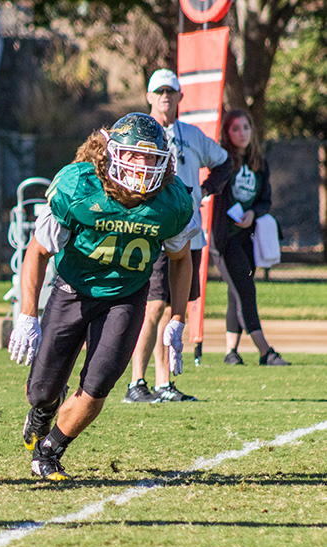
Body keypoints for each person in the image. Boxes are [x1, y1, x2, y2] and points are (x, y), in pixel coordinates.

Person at [8, 113, 198, 480]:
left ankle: (50, 451)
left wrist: (177, 319)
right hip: (72, 290)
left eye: (151, 158)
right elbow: (38, 251)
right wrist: (27, 315)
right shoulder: (79, 185)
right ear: (112, 154)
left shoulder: (172, 200)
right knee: (41, 390)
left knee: (99, 383)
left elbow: (180, 260)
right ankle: (44, 410)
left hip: (126, 296)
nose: (143, 167)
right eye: (134, 156)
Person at [123, 69, 233, 404]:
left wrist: (203, 190)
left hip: (187, 233)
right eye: (159, 91)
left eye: (171, 91)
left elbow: (224, 164)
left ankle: (163, 383)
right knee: (153, 306)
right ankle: (135, 382)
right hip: (154, 230)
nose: (165, 97)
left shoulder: (192, 135)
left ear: (180, 97)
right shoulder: (143, 133)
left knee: (173, 309)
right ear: (149, 96)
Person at [210, 109, 289, 367]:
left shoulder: (259, 162)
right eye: (235, 128)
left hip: (248, 238)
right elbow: (215, 192)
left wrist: (253, 213)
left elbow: (265, 199)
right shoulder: (221, 159)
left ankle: (231, 351)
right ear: (226, 132)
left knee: (237, 292)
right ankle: (266, 351)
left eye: (246, 127)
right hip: (224, 238)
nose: (242, 133)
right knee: (245, 289)